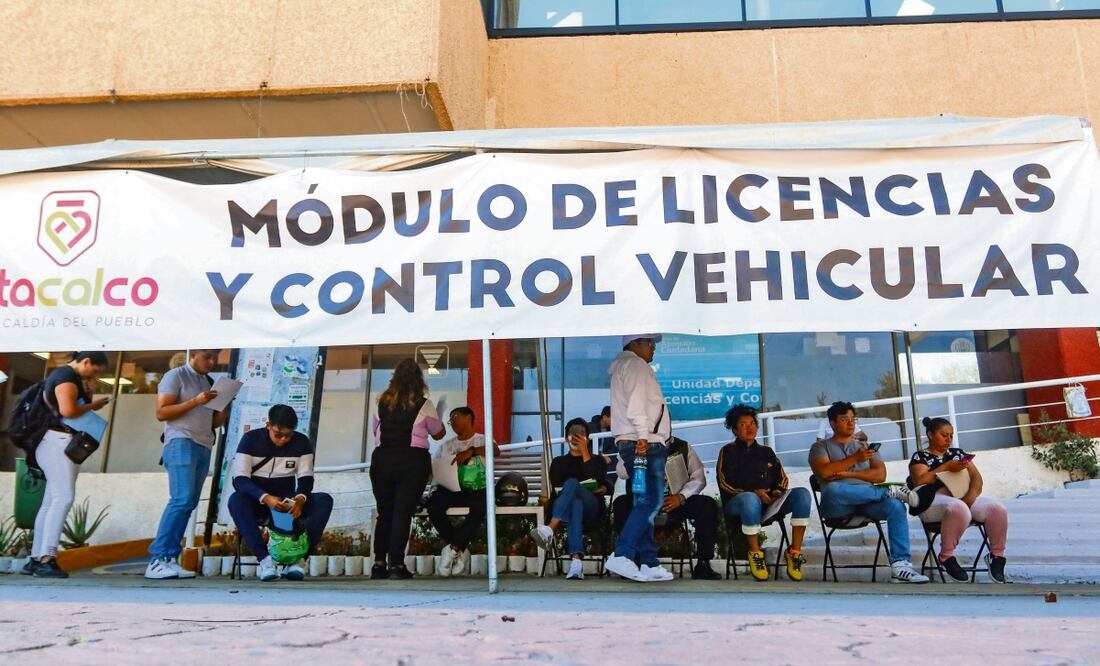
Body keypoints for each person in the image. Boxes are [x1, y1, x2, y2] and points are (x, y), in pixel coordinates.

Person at [809, 401, 929, 584]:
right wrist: (856, 459)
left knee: (895, 505)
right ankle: (889, 491)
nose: (851, 423)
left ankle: (901, 565)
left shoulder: (866, 447)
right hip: (838, 505)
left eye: (852, 419)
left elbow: (880, 475)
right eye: (844, 419)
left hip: (867, 502)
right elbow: (824, 472)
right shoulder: (820, 447)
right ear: (832, 424)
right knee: (833, 488)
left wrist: (846, 473)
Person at [146, 349, 233, 580]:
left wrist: (223, 405)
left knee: (189, 503)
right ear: (193, 354)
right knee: (181, 499)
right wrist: (196, 400)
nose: (212, 361)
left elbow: (213, 422)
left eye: (215, 357)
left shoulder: (209, 381)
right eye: (207, 356)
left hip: (204, 444)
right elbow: (161, 412)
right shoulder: (176, 375)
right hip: (180, 441)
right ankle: (158, 558)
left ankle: (169, 558)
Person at [25, 352, 111, 578]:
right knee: (63, 498)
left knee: (50, 500)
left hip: (54, 442)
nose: (95, 374)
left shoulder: (66, 376)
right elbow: (68, 411)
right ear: (86, 361)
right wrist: (95, 404)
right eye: (95, 370)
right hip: (58, 442)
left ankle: (36, 557)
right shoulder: (65, 376)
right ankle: (47, 558)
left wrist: (89, 393)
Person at [228, 404, 333, 581]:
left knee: (324, 500)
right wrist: (265, 497)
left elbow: (306, 478)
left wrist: (300, 499)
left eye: (288, 435)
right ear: (268, 425)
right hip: (259, 503)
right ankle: (265, 561)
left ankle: (298, 561)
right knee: (236, 500)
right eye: (278, 434)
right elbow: (240, 479)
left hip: (287, 505)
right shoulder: (250, 440)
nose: (283, 440)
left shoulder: (301, 442)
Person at [604, 334, 675, 583]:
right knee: (652, 501)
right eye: (648, 342)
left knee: (642, 501)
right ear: (633, 344)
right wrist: (644, 437)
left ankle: (649, 561)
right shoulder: (635, 365)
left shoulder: (624, 366)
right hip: (643, 444)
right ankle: (622, 554)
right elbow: (637, 406)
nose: (652, 347)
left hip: (635, 442)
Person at [370, 358, 446, 579]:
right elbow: (438, 433)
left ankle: (378, 564)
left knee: (385, 513)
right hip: (412, 461)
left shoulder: (381, 403)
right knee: (402, 513)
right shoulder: (424, 405)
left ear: (394, 379)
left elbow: (376, 430)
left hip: (382, 459)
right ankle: (396, 566)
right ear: (419, 381)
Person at [909, 416, 1008, 583]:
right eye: (944, 435)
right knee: (958, 508)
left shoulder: (957, 453)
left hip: (962, 495)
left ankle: (996, 557)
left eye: (951, 435)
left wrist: (970, 497)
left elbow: (977, 478)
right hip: (933, 501)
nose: (948, 439)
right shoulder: (920, 456)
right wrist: (945, 467)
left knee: (997, 509)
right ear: (931, 435)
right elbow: (919, 480)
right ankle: (946, 556)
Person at [717, 404, 811, 581]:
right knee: (750, 499)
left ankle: (794, 552)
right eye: (743, 424)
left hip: (768, 504)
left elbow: (782, 478)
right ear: (735, 430)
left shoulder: (767, 452)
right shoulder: (728, 451)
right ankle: (755, 553)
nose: (749, 428)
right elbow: (725, 483)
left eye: (752, 423)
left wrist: (776, 492)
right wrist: (754, 492)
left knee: (802, 494)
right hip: (738, 504)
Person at [613, 435, 721, 580]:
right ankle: (632, 561)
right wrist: (635, 452)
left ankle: (703, 563)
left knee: (707, 505)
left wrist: (681, 496)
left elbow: (699, 478)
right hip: (643, 503)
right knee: (621, 504)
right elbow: (621, 473)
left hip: (674, 502)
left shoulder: (683, 446)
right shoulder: (636, 445)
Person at [532, 418, 611, 579]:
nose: (576, 438)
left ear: (587, 438)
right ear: (566, 438)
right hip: (565, 510)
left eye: (581, 434)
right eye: (572, 434)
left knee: (574, 485)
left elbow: (600, 480)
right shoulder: (559, 462)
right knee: (575, 503)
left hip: (592, 509)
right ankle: (576, 562)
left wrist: (585, 453)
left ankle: (549, 528)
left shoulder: (597, 460)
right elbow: (557, 488)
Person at [428, 406, 499, 577]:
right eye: (450, 419)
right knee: (433, 505)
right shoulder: (446, 446)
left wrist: (471, 451)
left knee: (482, 506)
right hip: (452, 489)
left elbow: (495, 451)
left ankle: (453, 549)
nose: (452, 422)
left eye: (455, 417)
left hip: (476, 490)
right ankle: (460, 548)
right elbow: (436, 470)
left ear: (468, 418)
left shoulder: (482, 440)